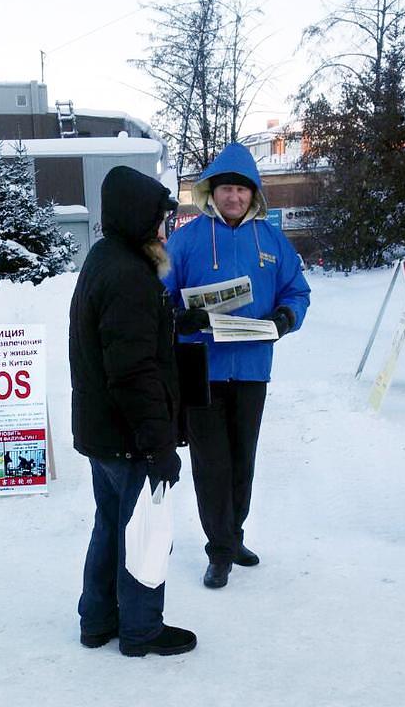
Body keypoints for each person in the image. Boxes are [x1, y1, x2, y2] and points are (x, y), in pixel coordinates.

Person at [164, 142, 311, 589]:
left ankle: (234, 534)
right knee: (211, 464)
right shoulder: (185, 239)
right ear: (213, 191)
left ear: (254, 196)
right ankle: (219, 550)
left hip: (251, 367)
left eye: (242, 191)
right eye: (226, 189)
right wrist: (178, 317)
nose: (234, 198)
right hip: (200, 366)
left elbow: (297, 291)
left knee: (242, 460)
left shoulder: (271, 240)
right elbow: (159, 298)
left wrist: (286, 317)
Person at [69, 165, 197, 657]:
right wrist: (159, 446)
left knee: (109, 526)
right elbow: (133, 372)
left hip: (104, 435)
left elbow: (121, 340)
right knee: (144, 532)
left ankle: (97, 620)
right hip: (129, 437)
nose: (164, 229)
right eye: (160, 220)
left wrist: (175, 319)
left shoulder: (106, 258)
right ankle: (142, 629)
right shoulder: (130, 277)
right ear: (139, 218)